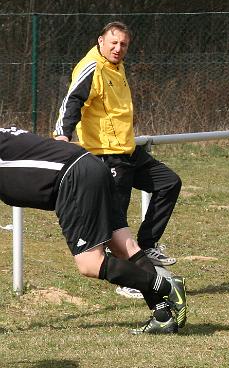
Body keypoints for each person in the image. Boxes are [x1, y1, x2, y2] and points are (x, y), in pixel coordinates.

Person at [0, 127, 187, 334]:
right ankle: (162, 316)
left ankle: (166, 286)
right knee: (125, 247)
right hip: (91, 164)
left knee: (90, 264)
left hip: (73, 177)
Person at [54, 21, 183, 298]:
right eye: (113, 42)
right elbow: (72, 101)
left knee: (169, 182)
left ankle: (147, 245)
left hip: (128, 150)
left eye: (123, 44)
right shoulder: (92, 66)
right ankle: (129, 280)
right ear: (101, 41)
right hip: (105, 154)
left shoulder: (118, 67)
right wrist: (61, 135)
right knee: (116, 221)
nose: (118, 48)